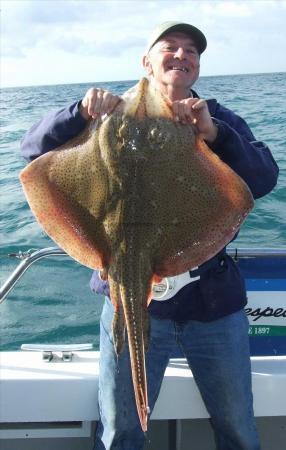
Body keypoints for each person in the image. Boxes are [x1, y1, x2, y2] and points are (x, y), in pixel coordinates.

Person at [21, 21, 279, 450]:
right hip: (123, 292)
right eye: (170, 47)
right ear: (147, 61)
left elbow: (263, 179)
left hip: (211, 304)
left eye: (191, 51)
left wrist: (212, 133)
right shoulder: (104, 116)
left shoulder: (216, 119)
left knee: (237, 427)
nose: (181, 55)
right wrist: (80, 112)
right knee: (122, 430)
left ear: (197, 67)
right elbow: (32, 151)